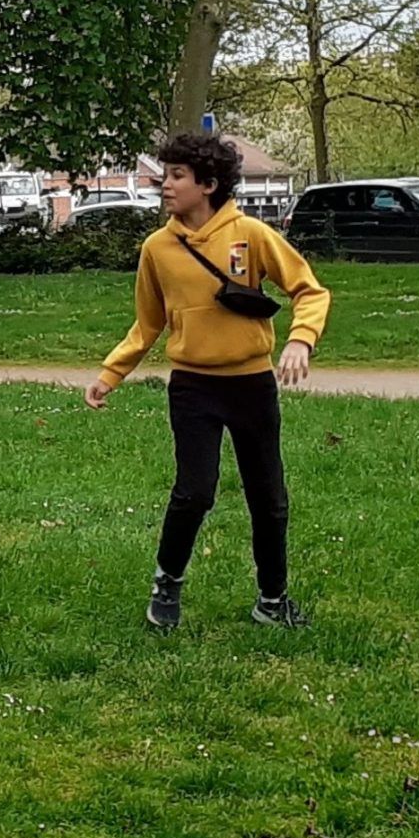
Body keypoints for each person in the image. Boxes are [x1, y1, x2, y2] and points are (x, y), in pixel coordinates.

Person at [86, 133, 328, 631]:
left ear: (209, 184)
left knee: (268, 495)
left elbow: (310, 290)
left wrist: (301, 339)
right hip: (193, 388)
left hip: (252, 384)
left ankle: (272, 600)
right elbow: (147, 324)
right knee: (194, 491)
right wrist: (112, 374)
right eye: (165, 175)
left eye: (177, 176)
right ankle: (167, 586)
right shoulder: (157, 248)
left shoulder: (252, 235)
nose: (166, 185)